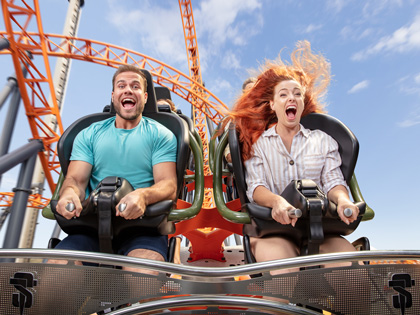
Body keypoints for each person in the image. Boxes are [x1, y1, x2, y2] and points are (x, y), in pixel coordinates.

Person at [224, 41, 359, 274]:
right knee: (284, 275)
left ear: (303, 102)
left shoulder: (323, 139)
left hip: (320, 227)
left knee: (352, 276)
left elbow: (334, 182)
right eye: (283, 94)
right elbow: (256, 186)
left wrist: (344, 201)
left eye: (297, 94)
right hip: (273, 230)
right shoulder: (257, 144)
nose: (291, 98)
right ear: (272, 105)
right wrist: (276, 202)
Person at [48, 65, 178, 274]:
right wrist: (70, 193)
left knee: (143, 276)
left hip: (143, 228)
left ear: (145, 97)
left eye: (135, 86)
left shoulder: (161, 135)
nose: (128, 90)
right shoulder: (89, 134)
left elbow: (168, 185)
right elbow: (75, 180)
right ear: (113, 95)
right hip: (91, 227)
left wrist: (143, 196)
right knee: (56, 273)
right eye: (122, 86)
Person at [223, 77, 257, 163]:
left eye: (256, 89)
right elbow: (229, 142)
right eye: (249, 90)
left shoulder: (272, 110)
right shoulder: (236, 117)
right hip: (248, 160)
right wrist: (231, 154)